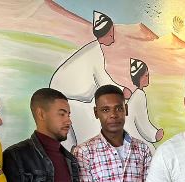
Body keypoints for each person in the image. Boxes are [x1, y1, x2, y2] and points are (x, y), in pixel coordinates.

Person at [50, 10, 131, 148]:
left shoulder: (93, 50)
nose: (113, 35)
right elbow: (103, 82)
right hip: (71, 101)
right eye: (111, 32)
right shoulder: (94, 53)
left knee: (71, 144)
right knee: (84, 142)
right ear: (106, 32)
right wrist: (123, 91)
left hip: (66, 101)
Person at [124, 58, 164, 151]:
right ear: (140, 78)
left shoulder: (136, 95)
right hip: (134, 137)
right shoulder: (139, 96)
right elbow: (142, 123)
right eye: (146, 75)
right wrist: (155, 135)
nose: (148, 77)